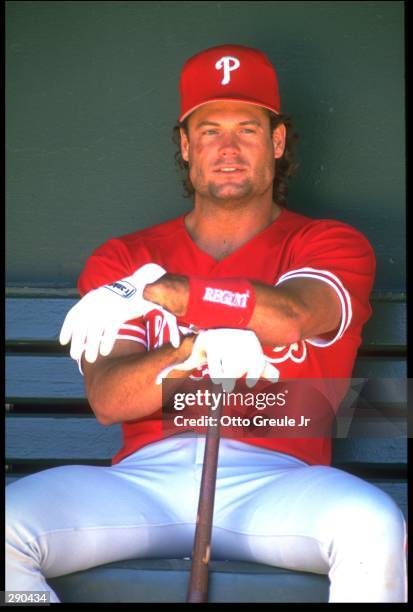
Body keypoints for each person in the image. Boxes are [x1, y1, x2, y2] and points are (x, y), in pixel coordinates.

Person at [6, 44, 406, 603]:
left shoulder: (327, 243)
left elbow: (290, 316)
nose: (228, 148)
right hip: (145, 484)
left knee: (374, 528)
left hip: (279, 481)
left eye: (247, 128)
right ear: (186, 145)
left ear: (278, 142)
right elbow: (109, 400)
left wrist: (169, 292)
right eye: (210, 130)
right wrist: (187, 351)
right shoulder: (125, 258)